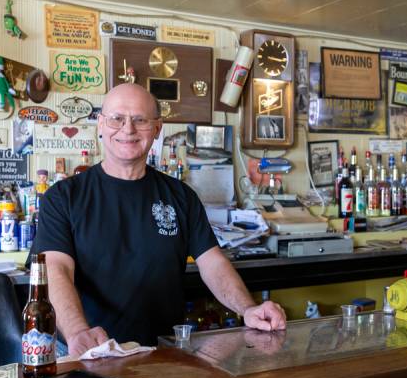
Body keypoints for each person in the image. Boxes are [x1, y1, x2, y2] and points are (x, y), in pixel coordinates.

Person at [34, 83, 286, 356]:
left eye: (140, 120)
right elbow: (56, 270)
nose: (128, 129)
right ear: (101, 125)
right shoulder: (63, 197)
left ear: (156, 129)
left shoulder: (181, 197)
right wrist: (78, 332)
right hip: (90, 351)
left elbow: (213, 263)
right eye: (117, 119)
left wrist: (247, 309)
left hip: (164, 351)